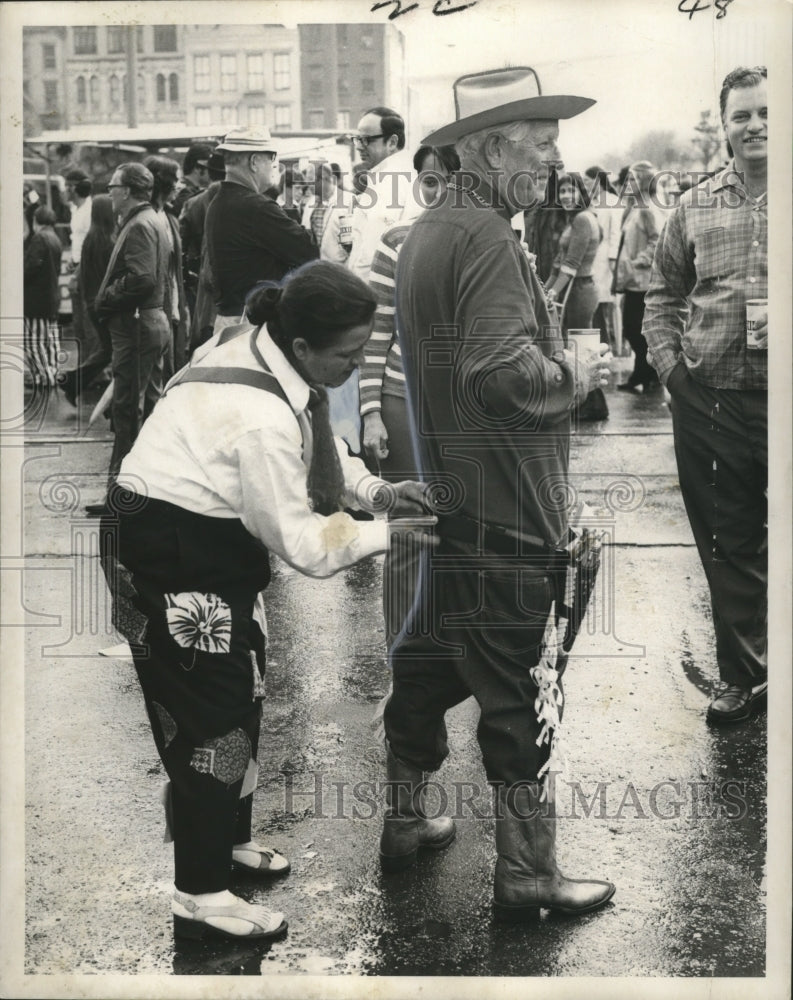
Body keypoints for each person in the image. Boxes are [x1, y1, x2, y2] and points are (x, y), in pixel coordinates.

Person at [101, 260, 435, 941]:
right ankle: (199, 893)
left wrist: (374, 491)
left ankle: (223, 845)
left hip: (210, 543)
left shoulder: (261, 353)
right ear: (306, 346)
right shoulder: (257, 416)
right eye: (345, 355)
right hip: (166, 551)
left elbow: (317, 446)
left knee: (243, 690)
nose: (351, 366)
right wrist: (384, 535)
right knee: (209, 720)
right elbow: (305, 545)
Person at [386, 66, 615, 919]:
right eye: (541, 139)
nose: (556, 157)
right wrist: (576, 367)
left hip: (458, 504)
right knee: (524, 694)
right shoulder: (484, 234)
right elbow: (499, 377)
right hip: (509, 516)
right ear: (485, 145)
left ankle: (404, 821)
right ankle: (526, 874)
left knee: (425, 668)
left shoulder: (432, 229)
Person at [643, 66, 768, 724]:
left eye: (766, 112)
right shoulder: (692, 205)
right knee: (729, 544)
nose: (754, 125)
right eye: (741, 114)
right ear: (722, 125)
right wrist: (670, 372)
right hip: (711, 403)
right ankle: (743, 677)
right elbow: (660, 294)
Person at [360, 143, 460, 645]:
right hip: (402, 404)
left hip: (465, 411)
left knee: (460, 533)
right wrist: (371, 412)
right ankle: (401, 654)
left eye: (447, 180)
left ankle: (447, 650)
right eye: (428, 181)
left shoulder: (486, 243)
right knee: (408, 532)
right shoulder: (394, 244)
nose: (437, 191)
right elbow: (376, 335)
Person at [93, 162, 170, 493]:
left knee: (127, 408)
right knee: (147, 405)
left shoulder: (139, 224)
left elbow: (142, 279)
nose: (110, 192)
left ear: (125, 191)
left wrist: (106, 298)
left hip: (136, 325)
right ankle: (145, 486)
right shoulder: (152, 219)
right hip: (149, 322)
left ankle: (123, 490)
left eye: (112, 186)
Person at [204, 127, 317, 337]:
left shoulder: (219, 202)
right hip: (253, 326)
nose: (275, 165)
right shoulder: (256, 207)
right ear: (254, 161)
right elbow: (308, 250)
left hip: (230, 321)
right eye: (271, 158)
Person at [546, 172, 608, 421]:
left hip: (580, 290)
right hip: (575, 287)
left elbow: (571, 264)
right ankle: (587, 401)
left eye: (571, 191)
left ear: (582, 193)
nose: (566, 196)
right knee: (574, 344)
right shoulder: (575, 219)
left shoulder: (583, 219)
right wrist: (545, 289)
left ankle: (594, 404)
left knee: (581, 345)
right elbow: (558, 264)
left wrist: (552, 292)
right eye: (562, 192)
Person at [59, 195, 116, 406]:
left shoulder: (90, 240)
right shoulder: (109, 242)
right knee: (113, 349)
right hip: (105, 304)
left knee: (107, 349)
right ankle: (74, 381)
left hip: (93, 303)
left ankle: (73, 381)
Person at [612, 161, 661, 391]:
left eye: (633, 179)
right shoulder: (635, 207)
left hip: (642, 280)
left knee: (634, 328)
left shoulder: (647, 209)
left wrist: (638, 262)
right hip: (632, 280)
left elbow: (657, 240)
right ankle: (644, 373)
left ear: (644, 181)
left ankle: (644, 373)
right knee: (633, 328)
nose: (628, 183)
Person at [144, 155, 189, 375]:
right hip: (155, 308)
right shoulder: (147, 217)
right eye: (176, 180)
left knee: (170, 366)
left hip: (172, 304)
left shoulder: (169, 217)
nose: (180, 185)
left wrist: (182, 307)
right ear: (164, 183)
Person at [182, 151, 226, 355]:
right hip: (227, 281)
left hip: (198, 278)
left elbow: (182, 244)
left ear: (208, 172)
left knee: (200, 333)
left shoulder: (193, 203)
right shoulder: (237, 201)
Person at [23, 205, 63, 389]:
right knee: (51, 340)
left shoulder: (39, 238)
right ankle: (53, 371)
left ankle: (43, 375)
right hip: (52, 297)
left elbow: (30, 268)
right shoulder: (55, 238)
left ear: (35, 221)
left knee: (33, 341)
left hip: (36, 300)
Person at [585, 165, 622, 354]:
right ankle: (601, 343)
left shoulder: (613, 201)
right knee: (594, 301)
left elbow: (616, 232)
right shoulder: (590, 202)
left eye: (588, 181)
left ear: (597, 181)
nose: (585, 184)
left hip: (605, 258)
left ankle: (610, 345)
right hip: (592, 256)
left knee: (605, 303)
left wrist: (613, 259)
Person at [65, 169, 94, 361]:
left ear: (75, 188)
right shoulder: (75, 210)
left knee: (87, 318)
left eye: (68, 186)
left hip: (85, 268)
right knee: (78, 322)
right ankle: (85, 362)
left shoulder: (89, 210)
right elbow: (77, 239)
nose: (65, 190)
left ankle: (95, 368)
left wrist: (78, 270)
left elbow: (90, 244)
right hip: (76, 264)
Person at [300, 161, 350, 264]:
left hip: (342, 270)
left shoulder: (348, 201)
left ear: (324, 179)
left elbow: (355, 243)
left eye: (311, 181)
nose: (308, 185)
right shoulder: (310, 204)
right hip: (319, 269)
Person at [170, 142, 211, 219]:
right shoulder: (186, 195)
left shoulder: (183, 189)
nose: (213, 173)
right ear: (198, 168)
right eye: (210, 169)